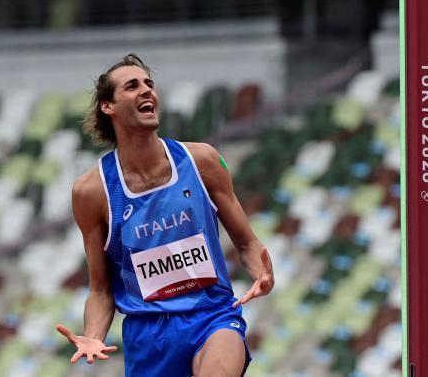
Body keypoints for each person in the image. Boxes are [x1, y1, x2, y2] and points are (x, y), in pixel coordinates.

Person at [55, 53, 274, 377]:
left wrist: (261, 272)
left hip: (212, 316)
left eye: (149, 84)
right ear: (108, 106)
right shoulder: (91, 192)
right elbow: (101, 289)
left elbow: (247, 244)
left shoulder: (202, 161)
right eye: (132, 86)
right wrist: (92, 335)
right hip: (149, 339)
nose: (146, 91)